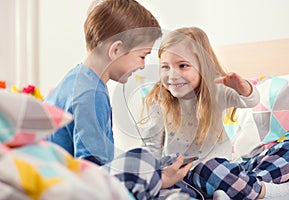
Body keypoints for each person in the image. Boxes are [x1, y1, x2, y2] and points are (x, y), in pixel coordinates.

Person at [44, 0, 192, 199]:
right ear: (116, 50)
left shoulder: (76, 79)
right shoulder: (90, 94)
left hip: (58, 179)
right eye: (142, 56)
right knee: (146, 163)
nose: (142, 66)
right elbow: (93, 173)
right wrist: (160, 180)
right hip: (70, 188)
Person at [140, 27, 289, 199]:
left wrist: (243, 88)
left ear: (203, 66)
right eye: (165, 67)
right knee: (210, 170)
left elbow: (250, 101)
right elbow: (151, 147)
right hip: (189, 176)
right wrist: (154, 178)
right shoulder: (160, 100)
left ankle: (244, 188)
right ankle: (260, 192)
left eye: (182, 66)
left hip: (230, 170)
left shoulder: (217, 90)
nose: (172, 75)